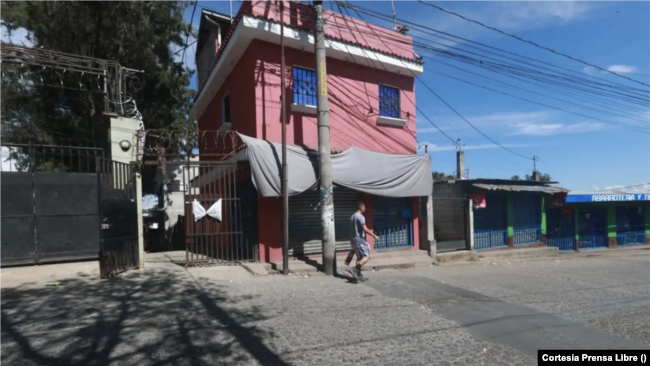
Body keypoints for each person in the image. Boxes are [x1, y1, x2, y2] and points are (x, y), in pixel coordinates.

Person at [346, 201, 379, 282]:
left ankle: (358, 275)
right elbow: (365, 229)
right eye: (364, 207)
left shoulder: (352, 216)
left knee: (359, 257)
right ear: (361, 207)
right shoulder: (360, 217)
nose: (365, 209)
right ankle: (355, 269)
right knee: (367, 256)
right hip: (360, 240)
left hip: (353, 240)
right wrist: (374, 235)